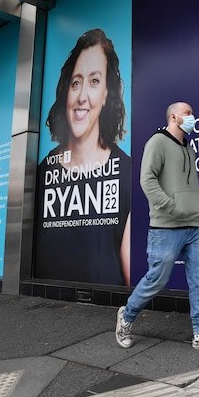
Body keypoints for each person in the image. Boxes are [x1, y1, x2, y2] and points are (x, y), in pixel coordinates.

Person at [116, 102, 199, 350]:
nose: (193, 116)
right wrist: (171, 207)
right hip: (166, 228)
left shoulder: (188, 148)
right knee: (156, 280)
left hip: (195, 227)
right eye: (188, 113)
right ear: (174, 116)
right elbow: (146, 180)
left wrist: (198, 207)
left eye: (192, 112)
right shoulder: (157, 142)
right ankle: (126, 316)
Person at [35, 28, 132, 285]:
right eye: (76, 82)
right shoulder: (42, 174)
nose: (81, 97)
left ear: (107, 94)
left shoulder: (128, 174)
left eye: (94, 81)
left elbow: (133, 277)